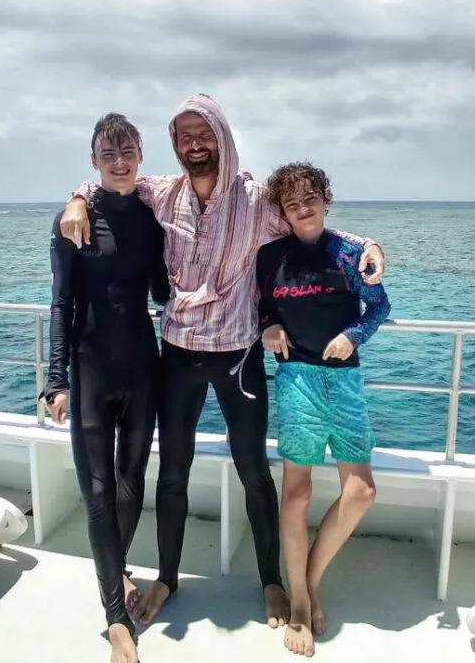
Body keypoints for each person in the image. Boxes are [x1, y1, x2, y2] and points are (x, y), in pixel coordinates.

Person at [58, 93, 387, 629]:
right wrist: (75, 199)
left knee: (254, 472)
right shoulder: (162, 195)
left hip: (238, 356)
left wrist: (367, 242)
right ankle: (166, 577)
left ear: (223, 137)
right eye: (184, 135)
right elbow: (108, 187)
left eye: (203, 132)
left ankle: (272, 581)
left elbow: (313, 230)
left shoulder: (257, 201)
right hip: (179, 355)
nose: (194, 144)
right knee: (173, 475)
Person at [40, 112, 170, 663]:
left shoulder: (152, 215)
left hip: (144, 366)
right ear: (93, 161)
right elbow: (61, 302)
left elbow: (165, 289)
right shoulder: (73, 220)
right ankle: (116, 619)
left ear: (141, 156)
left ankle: (114, 568)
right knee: (97, 492)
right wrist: (56, 377)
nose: (120, 161)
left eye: (129, 151)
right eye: (108, 153)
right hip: (91, 370)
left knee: (132, 484)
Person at [256, 161, 391, 657]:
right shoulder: (270, 255)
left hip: (345, 380)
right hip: (296, 381)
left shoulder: (351, 253)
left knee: (361, 492)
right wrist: (267, 326)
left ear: (325, 199)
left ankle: (308, 579)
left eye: (310, 198)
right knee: (297, 495)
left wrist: (350, 336)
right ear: (284, 213)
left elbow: (379, 308)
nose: (303, 208)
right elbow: (259, 306)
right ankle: (297, 602)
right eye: (292, 204)